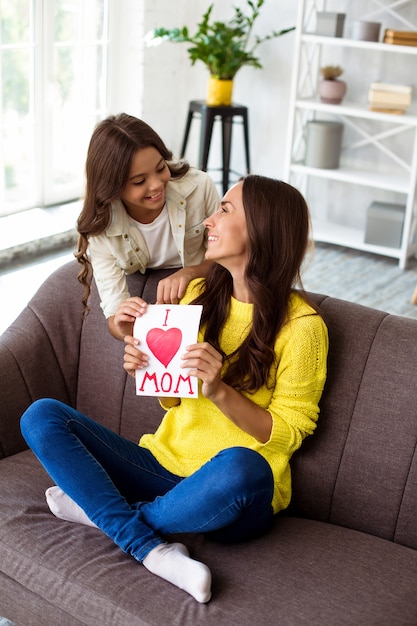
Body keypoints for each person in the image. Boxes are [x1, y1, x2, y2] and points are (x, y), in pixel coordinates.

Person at [20, 175, 329, 604]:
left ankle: (106, 516)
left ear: (260, 227)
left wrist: (220, 390)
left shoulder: (303, 328)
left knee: (244, 465)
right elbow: (174, 397)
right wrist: (145, 368)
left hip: (231, 491)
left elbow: (289, 433)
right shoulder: (199, 293)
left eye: (224, 209)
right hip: (162, 467)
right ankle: (149, 545)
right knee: (41, 416)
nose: (208, 220)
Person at [76, 113, 220, 340]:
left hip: (201, 286)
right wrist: (126, 331)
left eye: (161, 167)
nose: (156, 185)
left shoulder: (199, 187)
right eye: (139, 181)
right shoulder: (101, 224)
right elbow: (114, 310)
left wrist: (190, 273)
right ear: (112, 187)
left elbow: (228, 257)